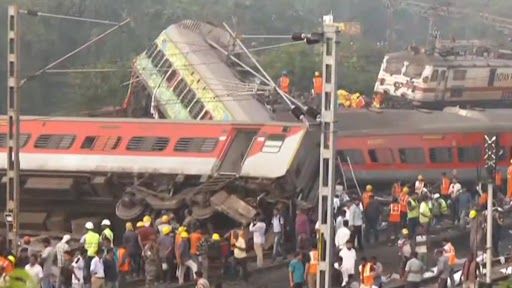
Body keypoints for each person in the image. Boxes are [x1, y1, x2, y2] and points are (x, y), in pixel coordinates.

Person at [80, 221, 100, 286]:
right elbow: (100, 244)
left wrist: (82, 255)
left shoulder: (85, 236)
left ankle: (87, 284)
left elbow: (81, 245)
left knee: (87, 271)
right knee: (95, 271)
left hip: (87, 256)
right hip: (95, 256)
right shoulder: (97, 235)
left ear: (86, 229)